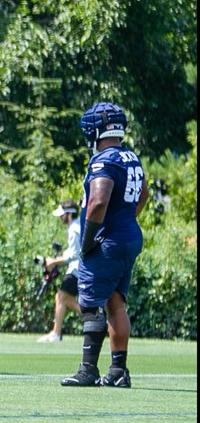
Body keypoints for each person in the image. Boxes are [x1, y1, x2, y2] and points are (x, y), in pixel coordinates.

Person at [61, 102, 147, 388]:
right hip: (129, 237)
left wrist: (87, 242)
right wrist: (126, 221)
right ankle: (119, 371)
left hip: (106, 242)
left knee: (90, 304)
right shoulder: (131, 156)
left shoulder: (104, 159)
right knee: (116, 303)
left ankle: (88, 370)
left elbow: (98, 200)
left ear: (97, 129)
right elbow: (143, 194)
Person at [37, 200, 82, 343]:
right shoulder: (76, 226)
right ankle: (96, 317)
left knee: (61, 297)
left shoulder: (74, 229)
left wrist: (54, 262)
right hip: (77, 268)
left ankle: (56, 334)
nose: (60, 217)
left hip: (77, 269)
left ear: (69, 214)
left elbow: (74, 255)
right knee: (64, 299)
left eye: (62, 215)